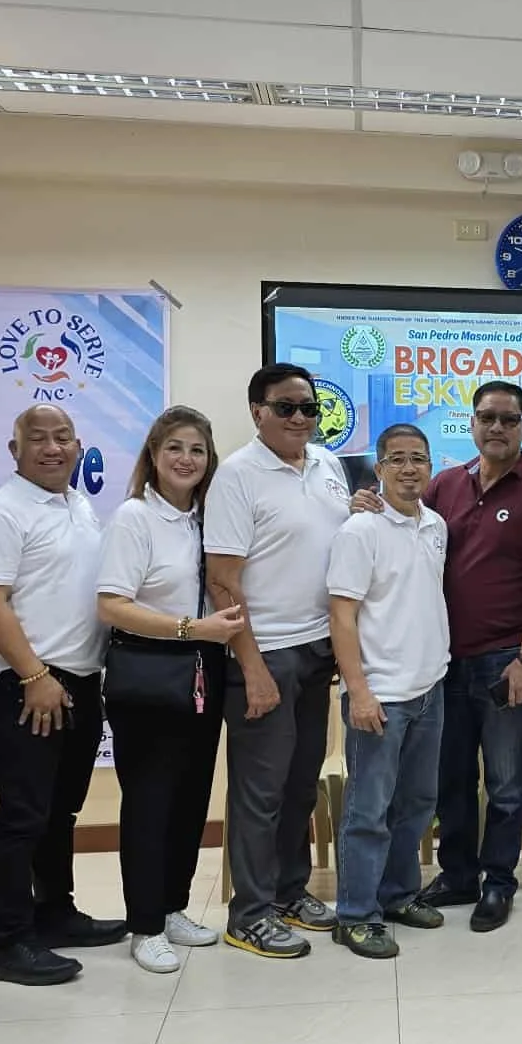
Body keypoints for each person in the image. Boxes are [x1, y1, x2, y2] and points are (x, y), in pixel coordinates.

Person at [0, 404, 126, 986]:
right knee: (25, 814)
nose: (52, 448)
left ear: (78, 447)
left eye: (63, 438)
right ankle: (5, 941)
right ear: (15, 451)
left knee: (61, 810)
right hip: (28, 683)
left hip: (80, 681)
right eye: (39, 439)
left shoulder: (80, 506)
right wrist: (35, 676)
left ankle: (54, 913)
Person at [204, 364, 349, 960]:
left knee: (298, 784)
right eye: (285, 407)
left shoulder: (328, 466)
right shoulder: (238, 476)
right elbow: (221, 581)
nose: (299, 418)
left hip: (318, 650)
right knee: (259, 791)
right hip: (264, 654)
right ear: (257, 411)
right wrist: (253, 665)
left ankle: (290, 892)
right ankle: (250, 913)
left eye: (308, 408)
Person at [96, 407, 247, 975]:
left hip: (204, 667)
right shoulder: (134, 518)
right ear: (153, 456)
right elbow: (112, 605)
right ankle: (145, 925)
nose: (186, 459)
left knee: (190, 798)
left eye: (198, 450)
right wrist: (193, 629)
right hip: (152, 668)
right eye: (175, 448)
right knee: (150, 802)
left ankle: (174, 907)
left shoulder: (205, 519)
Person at [418, 381, 522, 932]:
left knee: (505, 784)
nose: (497, 427)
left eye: (509, 419)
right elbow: (405, 534)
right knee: (450, 778)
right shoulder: (446, 485)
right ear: (472, 424)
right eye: (487, 417)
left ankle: (498, 883)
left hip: (507, 659)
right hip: (443, 661)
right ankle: (457, 875)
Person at [326, 423, 451, 959]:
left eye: (418, 459)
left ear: (430, 466)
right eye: (396, 459)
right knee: (368, 811)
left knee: (418, 804)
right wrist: (359, 691)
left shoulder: (437, 525)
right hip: (380, 694)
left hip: (430, 687)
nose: (408, 468)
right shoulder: (360, 531)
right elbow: (342, 614)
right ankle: (354, 914)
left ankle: (399, 895)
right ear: (378, 469)